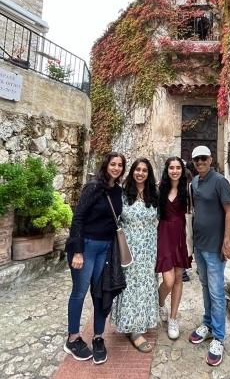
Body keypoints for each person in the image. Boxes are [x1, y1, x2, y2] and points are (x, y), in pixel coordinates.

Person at [64, 152, 126, 365]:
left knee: (100, 293)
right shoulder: (93, 187)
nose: (116, 168)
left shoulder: (118, 191)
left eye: (120, 165)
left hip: (105, 248)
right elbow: (78, 218)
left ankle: (98, 337)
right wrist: (78, 251)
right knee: (79, 293)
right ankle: (72, 338)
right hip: (87, 247)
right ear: (106, 165)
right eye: (113, 164)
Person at [188, 145, 230, 367]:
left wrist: (226, 241)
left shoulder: (220, 181)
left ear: (211, 159)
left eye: (203, 159)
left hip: (215, 248)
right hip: (200, 246)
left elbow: (229, 211)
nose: (200, 163)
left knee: (216, 292)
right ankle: (207, 324)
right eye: (196, 160)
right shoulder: (194, 183)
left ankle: (218, 337)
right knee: (205, 287)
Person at [111, 158, 159, 353]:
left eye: (144, 170)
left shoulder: (153, 194)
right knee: (131, 287)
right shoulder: (122, 194)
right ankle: (133, 330)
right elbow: (114, 219)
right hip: (129, 249)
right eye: (137, 169)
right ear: (132, 172)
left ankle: (142, 321)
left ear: (149, 174)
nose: (140, 173)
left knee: (146, 286)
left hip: (149, 249)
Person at [156, 157, 191, 339]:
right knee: (168, 281)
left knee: (178, 278)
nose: (175, 171)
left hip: (180, 237)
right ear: (167, 170)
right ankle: (160, 301)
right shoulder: (159, 188)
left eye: (178, 167)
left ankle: (173, 318)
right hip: (164, 235)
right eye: (172, 167)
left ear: (182, 170)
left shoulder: (188, 189)